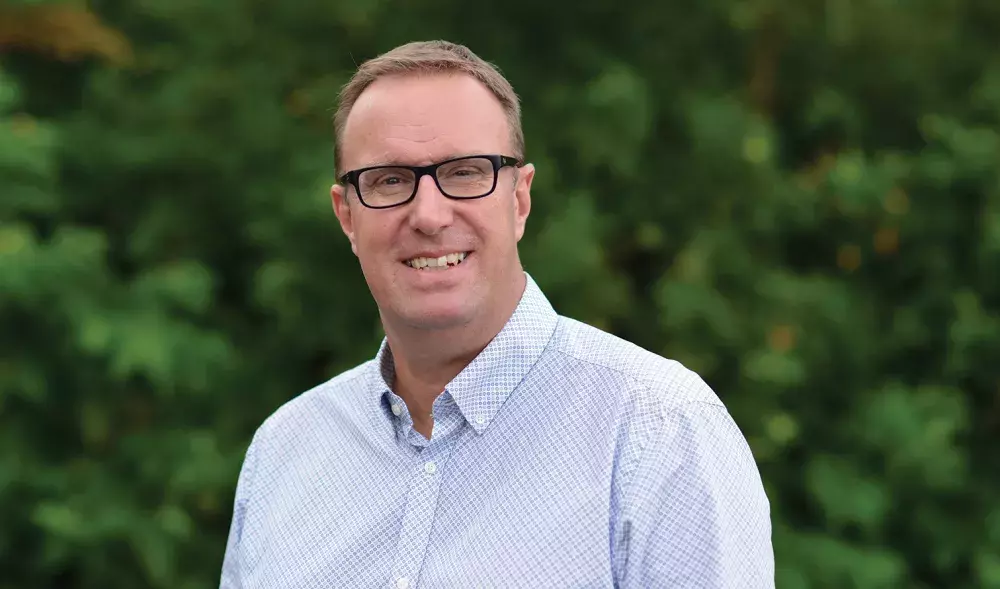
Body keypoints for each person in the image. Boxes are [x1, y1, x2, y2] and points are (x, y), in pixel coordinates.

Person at [219, 40, 774, 589]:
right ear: (346, 215)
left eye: (465, 172)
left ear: (520, 200)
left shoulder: (657, 432)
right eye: (389, 180)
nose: (429, 215)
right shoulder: (284, 453)